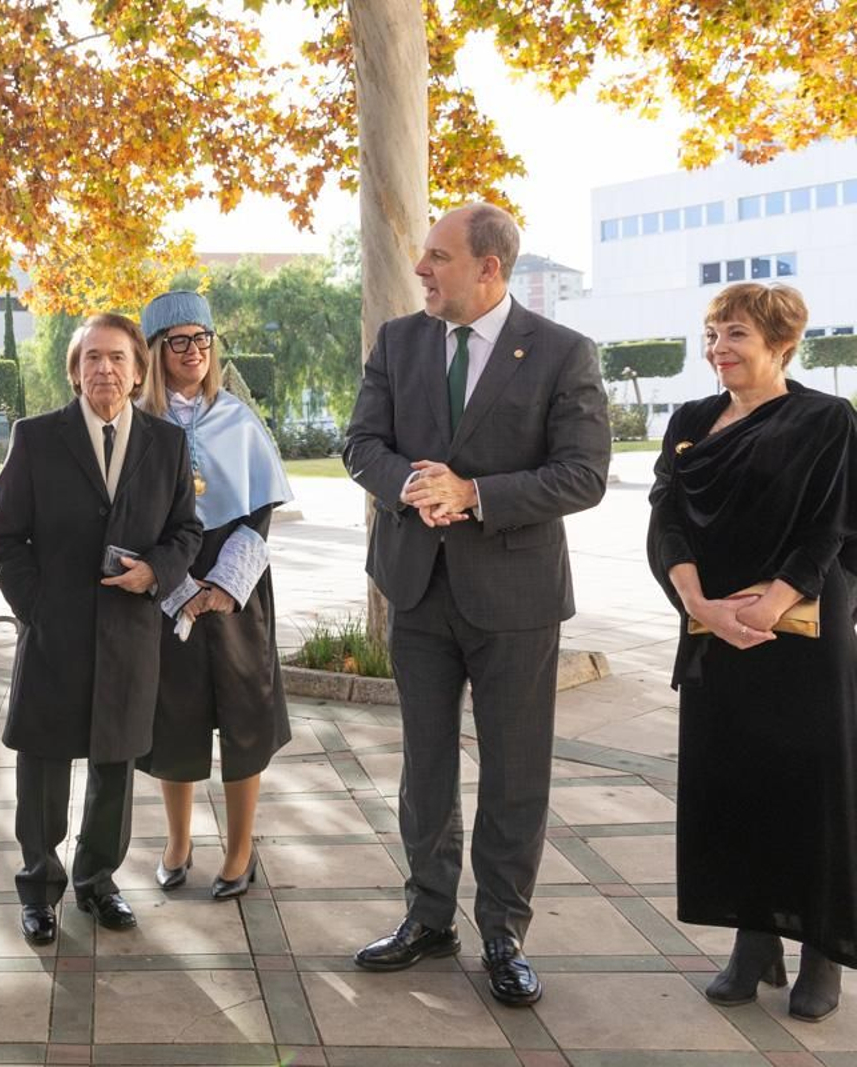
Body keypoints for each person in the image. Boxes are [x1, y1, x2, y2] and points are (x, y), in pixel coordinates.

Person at [343, 204, 610, 1006]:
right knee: (425, 768)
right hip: (417, 591)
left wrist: (476, 494)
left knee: (513, 772)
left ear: (489, 268)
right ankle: (429, 917)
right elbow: (361, 444)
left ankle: (503, 930)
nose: (422, 269)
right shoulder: (399, 342)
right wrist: (410, 486)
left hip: (516, 598)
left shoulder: (563, 352)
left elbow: (583, 473)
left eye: (438, 256)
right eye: (424, 256)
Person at [648, 282, 857, 1022]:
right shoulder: (692, 419)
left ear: (781, 342)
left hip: (796, 632)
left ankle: (820, 951)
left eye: (734, 334)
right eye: (710, 334)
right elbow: (667, 516)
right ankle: (753, 939)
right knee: (732, 781)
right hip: (714, 627)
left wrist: (773, 598)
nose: (717, 349)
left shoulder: (827, 418)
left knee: (808, 785)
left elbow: (832, 523)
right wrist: (699, 603)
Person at [0, 312, 202, 945]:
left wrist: (156, 573)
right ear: (75, 370)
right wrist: (37, 610)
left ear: (138, 371)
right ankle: (39, 887)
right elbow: (5, 538)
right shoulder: (36, 438)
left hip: (130, 637)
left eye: (116, 358)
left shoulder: (167, 444)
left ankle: (98, 881)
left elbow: (187, 530)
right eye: (91, 359)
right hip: (55, 637)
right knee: (44, 772)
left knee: (115, 766)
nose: (103, 369)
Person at [135, 291, 293, 900]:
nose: (195, 352)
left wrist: (224, 585)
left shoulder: (239, 418)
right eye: (180, 342)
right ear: (156, 351)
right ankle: (177, 841)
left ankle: (240, 848)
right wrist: (172, 581)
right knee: (171, 717)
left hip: (236, 586)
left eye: (203, 340)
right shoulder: (140, 425)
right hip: (164, 582)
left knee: (243, 716)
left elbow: (260, 511)